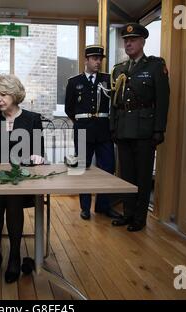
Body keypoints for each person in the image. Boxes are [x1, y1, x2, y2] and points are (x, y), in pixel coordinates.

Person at [0, 74, 44, 284]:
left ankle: (14, 256)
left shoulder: (32, 119)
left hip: (21, 181)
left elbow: (38, 152)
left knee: (13, 199)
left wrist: (37, 157)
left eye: (3, 94)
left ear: (15, 95)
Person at [110, 23, 170, 232]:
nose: (128, 43)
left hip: (145, 130)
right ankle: (127, 214)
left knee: (143, 176)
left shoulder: (154, 66)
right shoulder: (119, 69)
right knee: (126, 175)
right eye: (126, 40)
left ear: (143, 41)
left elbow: (163, 100)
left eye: (133, 39)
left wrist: (159, 129)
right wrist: (113, 128)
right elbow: (115, 103)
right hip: (124, 129)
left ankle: (139, 218)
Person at [64, 45, 118, 220]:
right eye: (94, 58)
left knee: (108, 168)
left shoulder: (108, 79)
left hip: (104, 130)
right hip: (83, 129)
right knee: (82, 168)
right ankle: (85, 207)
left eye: (100, 59)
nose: (98, 62)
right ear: (86, 60)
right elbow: (69, 109)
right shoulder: (74, 81)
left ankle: (103, 206)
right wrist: (82, 121)